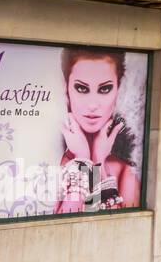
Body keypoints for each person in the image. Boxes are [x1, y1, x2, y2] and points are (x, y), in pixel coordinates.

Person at [55, 47, 140, 214]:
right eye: (81, 88)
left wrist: (96, 162)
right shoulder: (52, 159)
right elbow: (66, 225)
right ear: (66, 89)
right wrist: (84, 159)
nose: (93, 105)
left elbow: (109, 227)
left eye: (104, 89)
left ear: (118, 90)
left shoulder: (124, 172)